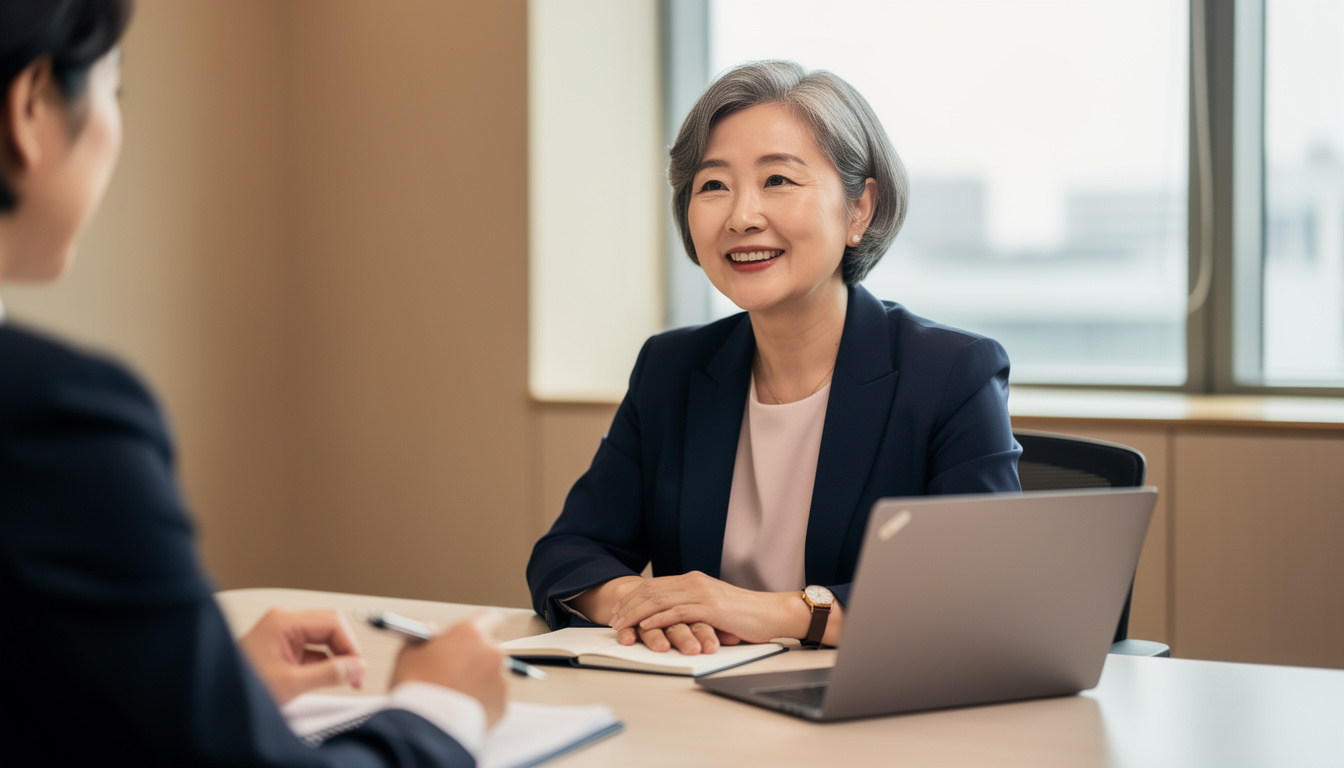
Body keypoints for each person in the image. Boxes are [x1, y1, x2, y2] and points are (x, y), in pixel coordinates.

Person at [0, 2, 506, 764]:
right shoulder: (57, 423)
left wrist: (204, 685)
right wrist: (438, 711)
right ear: (32, 104)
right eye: (116, 90)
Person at [527, 60, 1021, 655]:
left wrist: (778, 612)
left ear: (859, 210)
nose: (742, 216)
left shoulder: (949, 374)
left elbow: (979, 593)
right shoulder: (672, 368)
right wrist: (650, 605)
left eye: (779, 180)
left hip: (871, 719)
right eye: (713, 186)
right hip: (702, 709)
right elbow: (566, 551)